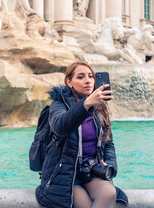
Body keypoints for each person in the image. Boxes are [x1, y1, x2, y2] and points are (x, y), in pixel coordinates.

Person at [35, 62, 128, 208]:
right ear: (69, 82)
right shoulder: (58, 105)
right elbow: (60, 127)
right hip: (64, 174)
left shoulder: (99, 107)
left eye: (91, 76)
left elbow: (108, 143)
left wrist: (109, 165)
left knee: (108, 193)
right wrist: (86, 104)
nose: (88, 80)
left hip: (90, 171)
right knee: (85, 204)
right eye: (81, 77)